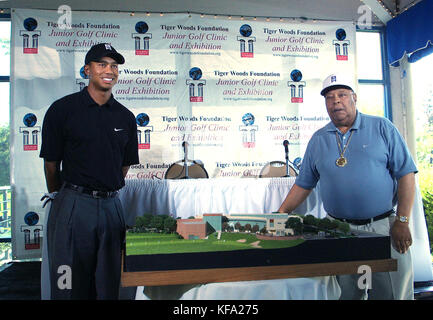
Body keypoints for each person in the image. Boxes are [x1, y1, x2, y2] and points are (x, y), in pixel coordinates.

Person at [278, 74, 417, 300]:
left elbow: (406, 175)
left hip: (383, 229)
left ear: (354, 98)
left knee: (391, 293)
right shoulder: (318, 139)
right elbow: (304, 183)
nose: (336, 101)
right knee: (345, 294)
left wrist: (402, 221)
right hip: (338, 232)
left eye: (342, 95)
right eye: (330, 97)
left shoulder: (382, 127)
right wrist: (281, 212)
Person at [39, 43, 139, 299]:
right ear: (87, 70)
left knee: (111, 283)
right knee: (68, 283)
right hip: (73, 204)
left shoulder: (126, 117)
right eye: (102, 64)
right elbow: (51, 163)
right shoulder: (62, 110)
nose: (110, 70)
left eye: (114, 66)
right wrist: (62, 196)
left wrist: (104, 188)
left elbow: (124, 165)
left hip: (111, 206)